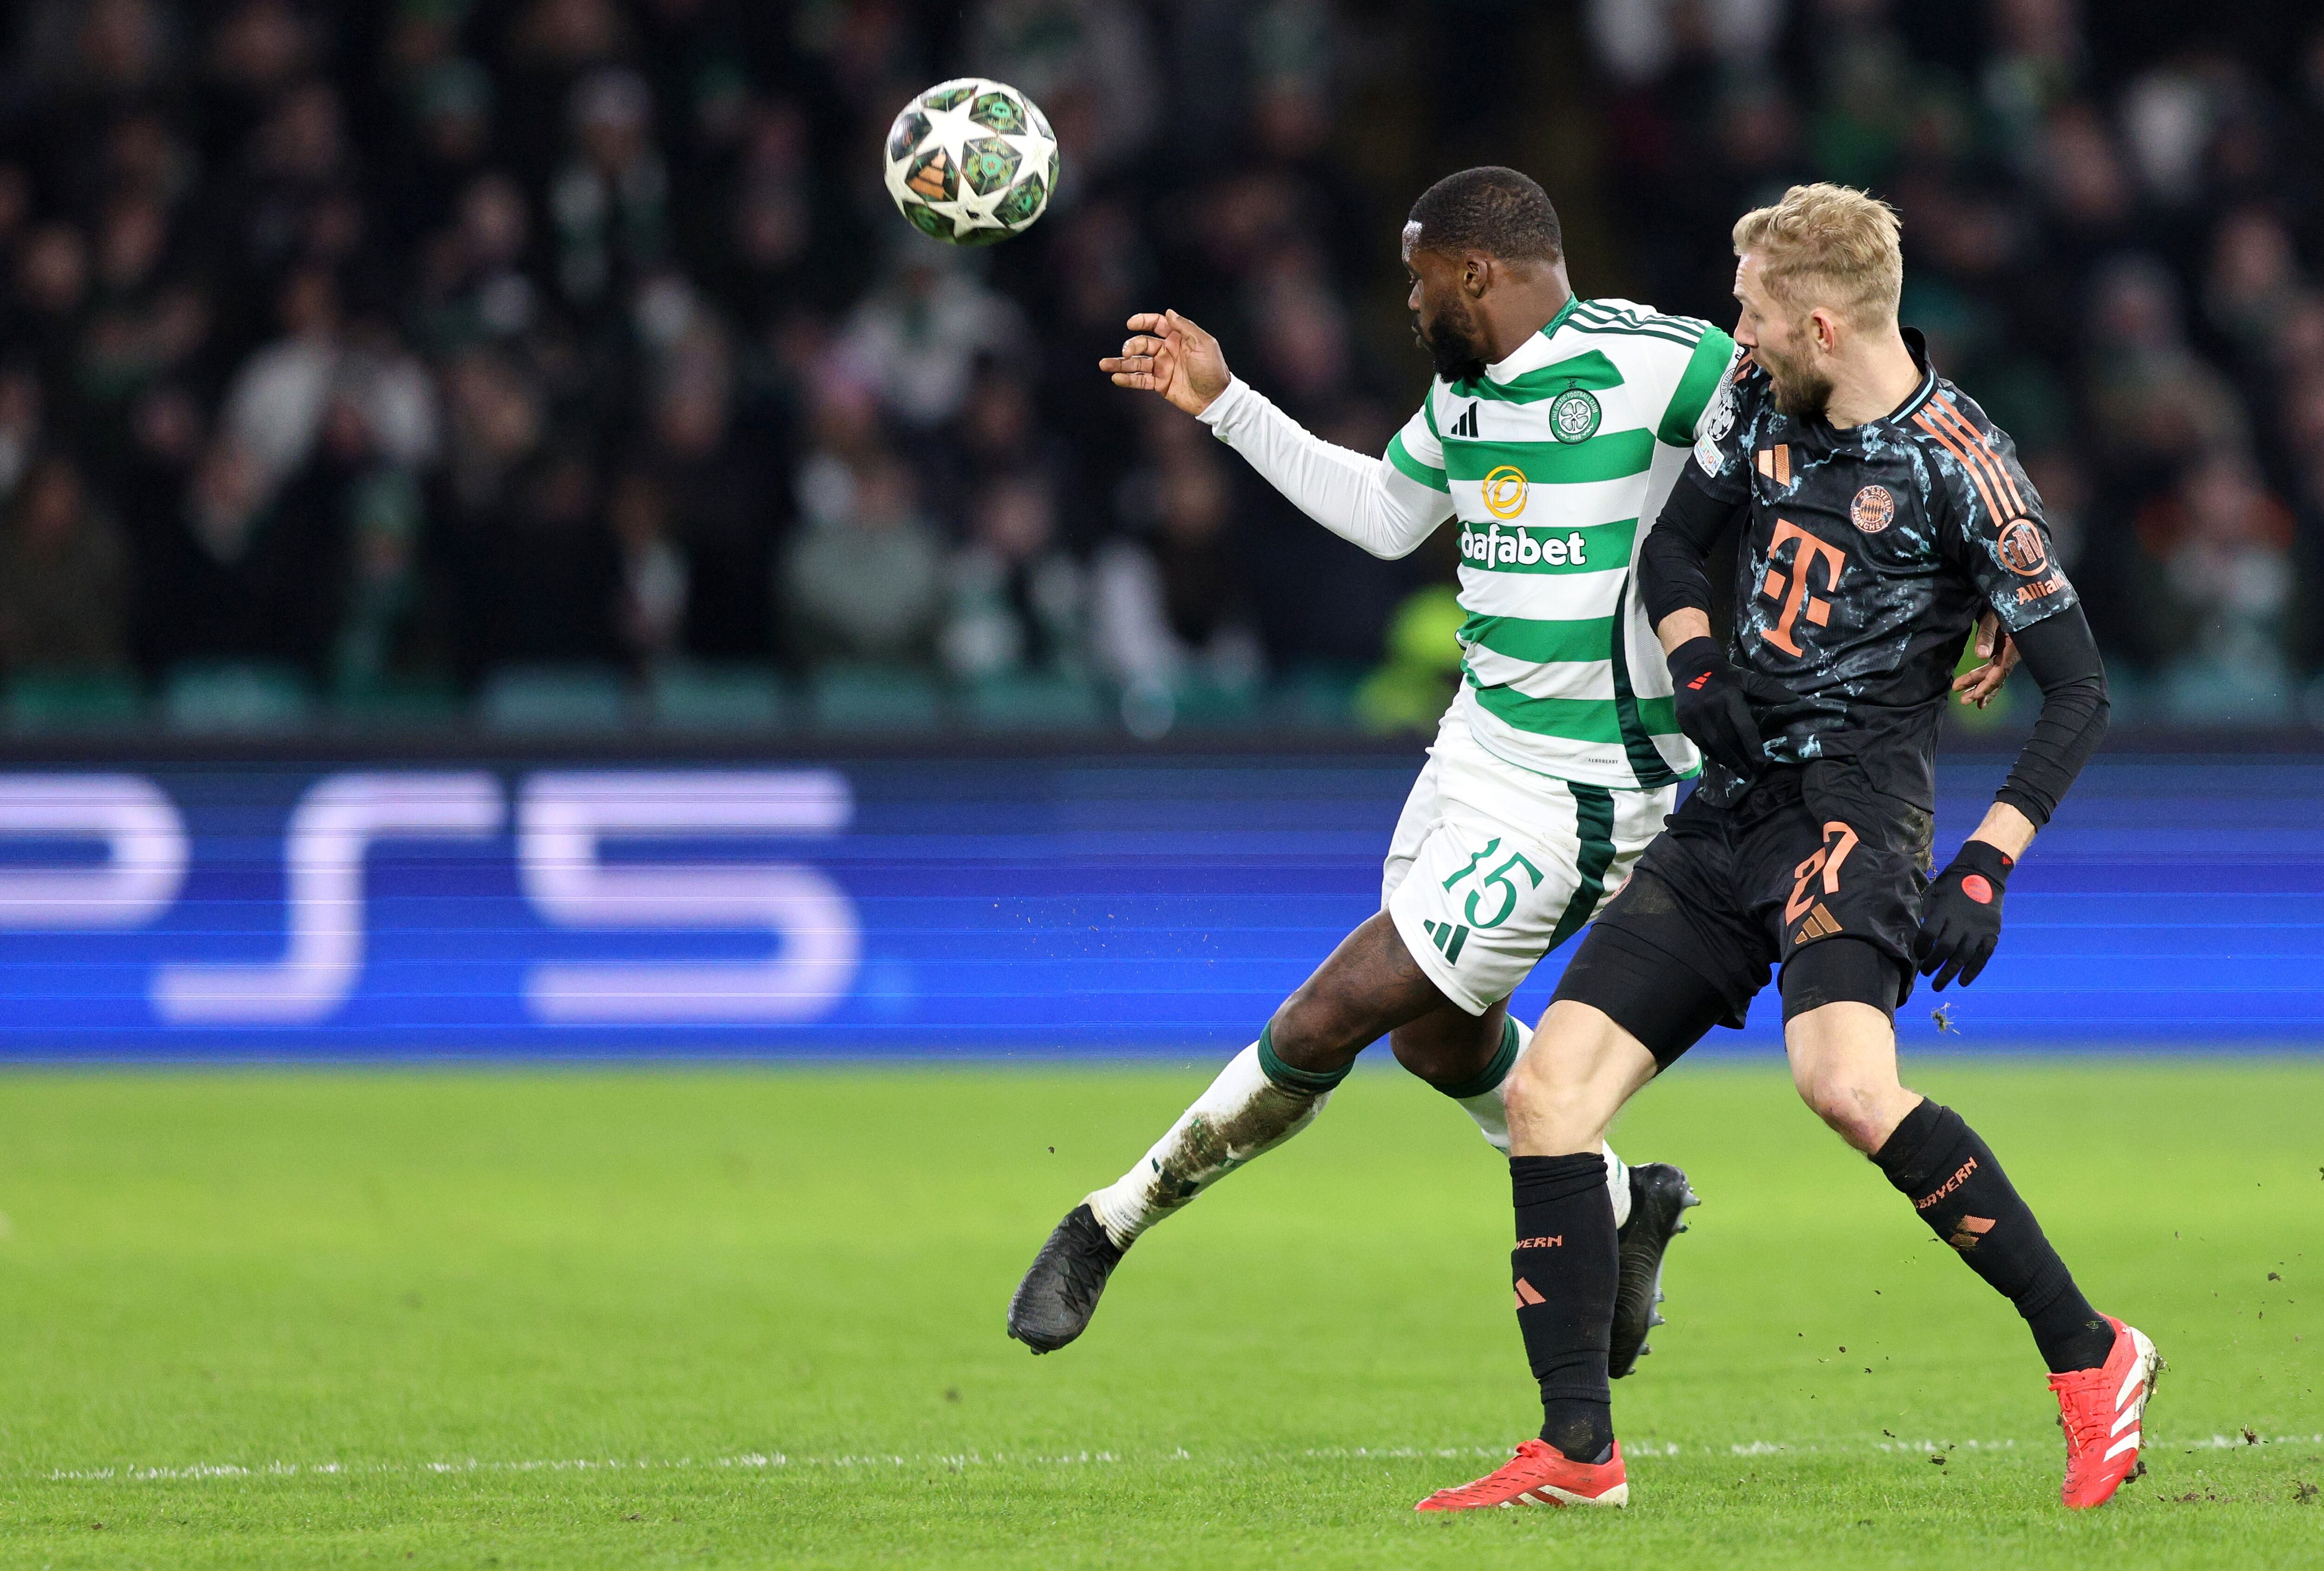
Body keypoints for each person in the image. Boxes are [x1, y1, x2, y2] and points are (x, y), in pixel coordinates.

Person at [1414, 184, 2151, 1515]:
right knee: (1546, 1098)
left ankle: (2095, 1354)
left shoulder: (1962, 464)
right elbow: (1675, 548)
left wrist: (1985, 862)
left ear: (1820, 321)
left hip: (1854, 810)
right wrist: (1699, 668)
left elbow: (2081, 687)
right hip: (1728, 799)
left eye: (1751, 312)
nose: (1732, 335)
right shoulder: (1763, 398)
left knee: (1846, 1083)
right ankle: (1579, 1450)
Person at [1009, 166, 1760, 1368]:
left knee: (1333, 1012)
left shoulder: (1662, 363)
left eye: (1419, 282)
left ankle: (1111, 1217)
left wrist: (1969, 577)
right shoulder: (1466, 395)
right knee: (1434, 1041)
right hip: (1475, 750)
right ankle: (1625, 1202)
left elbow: (1832, 420)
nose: (1407, 307)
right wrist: (1226, 403)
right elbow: (1386, 512)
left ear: (1478, 271)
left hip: (1583, 791)